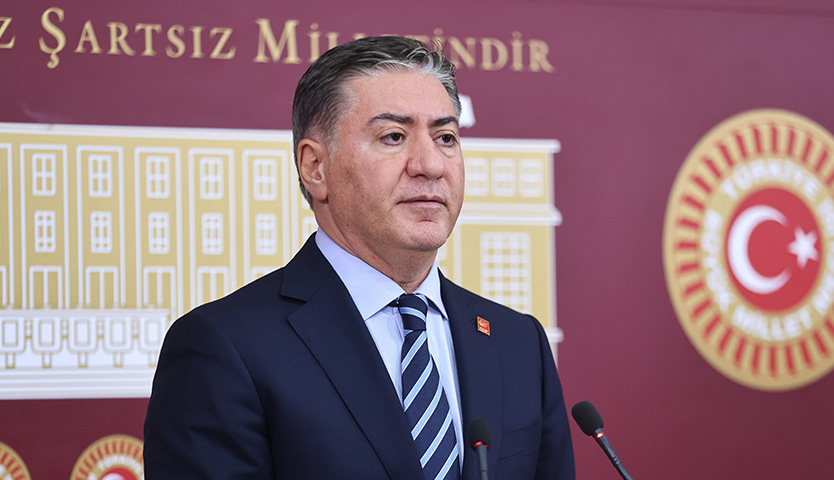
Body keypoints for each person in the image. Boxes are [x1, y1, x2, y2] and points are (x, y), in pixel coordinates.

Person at [143, 35, 575, 479]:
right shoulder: (225, 347)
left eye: (446, 137)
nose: (431, 165)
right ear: (315, 168)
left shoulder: (518, 343)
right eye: (393, 137)